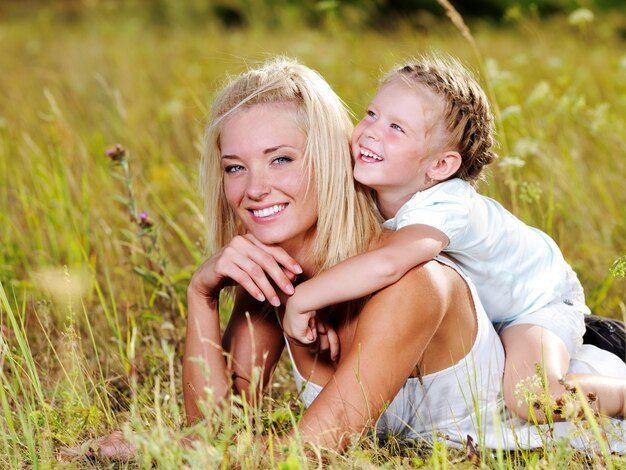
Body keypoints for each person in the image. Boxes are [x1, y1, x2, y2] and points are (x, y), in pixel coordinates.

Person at [182, 56, 626, 455]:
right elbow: (216, 430)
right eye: (234, 167)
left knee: (537, 394)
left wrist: (187, 456)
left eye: (280, 159)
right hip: (515, 331)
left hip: (569, 418)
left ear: (333, 158)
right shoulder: (273, 275)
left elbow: (304, 454)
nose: (254, 189)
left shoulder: (415, 275)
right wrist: (201, 294)